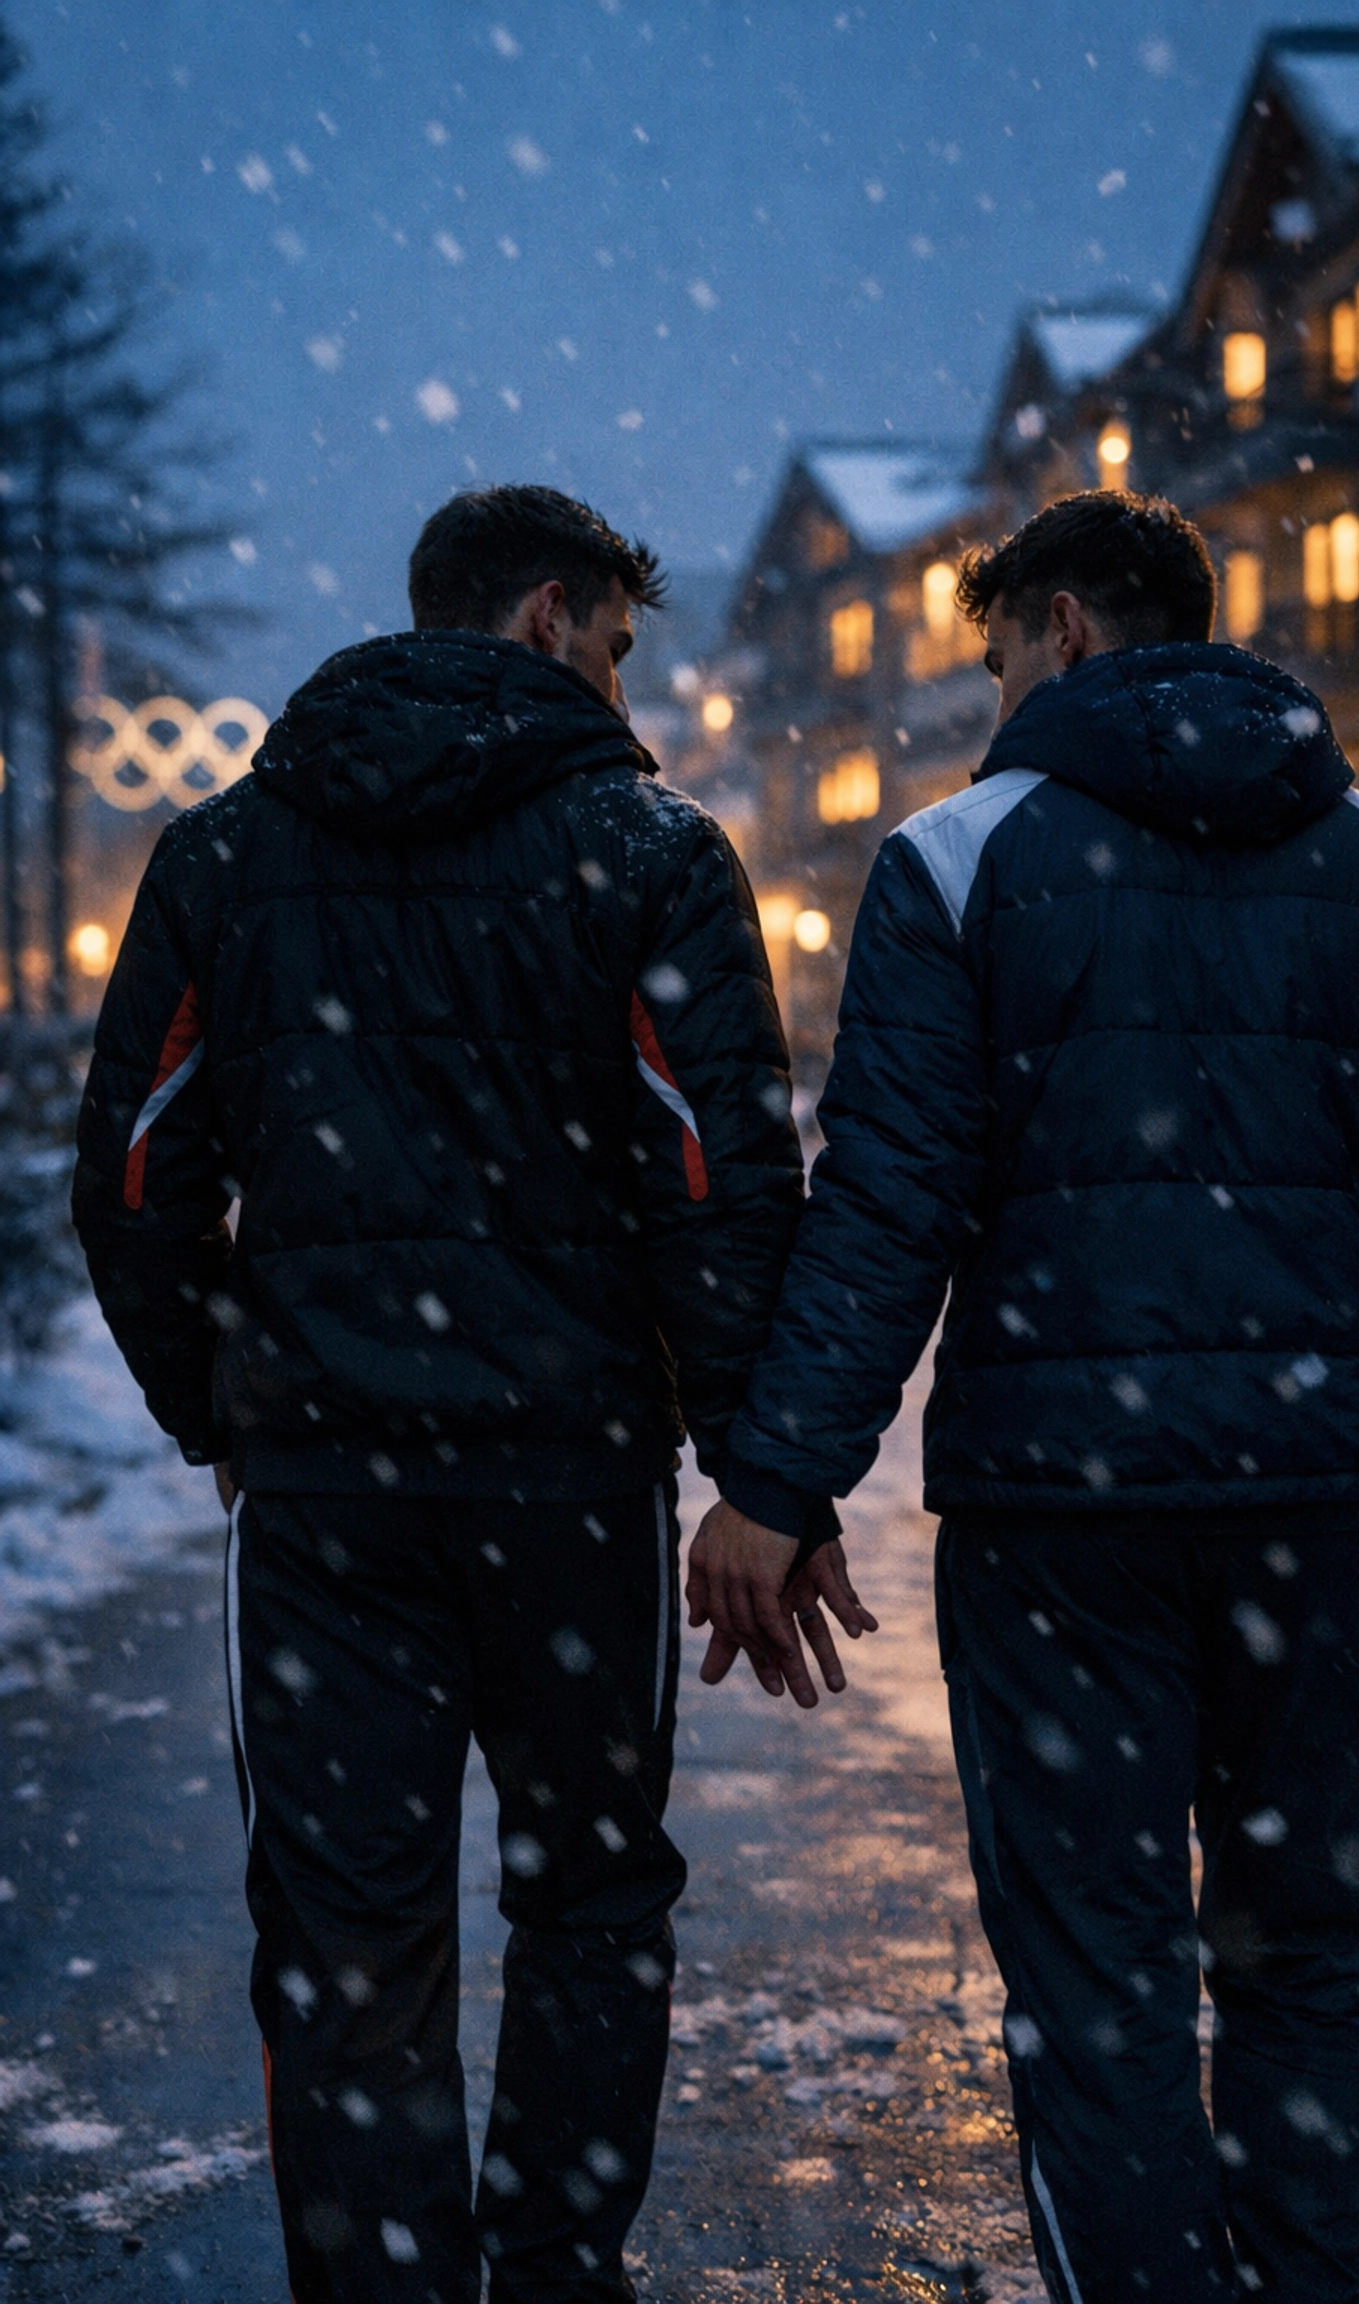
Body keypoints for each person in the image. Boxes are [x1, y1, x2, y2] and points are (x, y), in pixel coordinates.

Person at [688, 489, 1359, 2304]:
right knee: (1303, 1940)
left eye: (1000, 651)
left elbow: (892, 1200)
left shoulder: (958, 859)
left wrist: (779, 1479)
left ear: (1062, 628)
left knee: (1099, 1968)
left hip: (1060, 1519)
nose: (995, 692)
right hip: (1312, 1509)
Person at [73, 483, 870, 2304]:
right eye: (615, 648)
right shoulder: (649, 852)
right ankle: (554, 2270)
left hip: (327, 1505)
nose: (622, 688)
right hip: (569, 1488)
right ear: (544, 617)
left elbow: (130, 1176)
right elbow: (720, 1191)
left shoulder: (222, 853)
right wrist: (757, 1473)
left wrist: (226, 1403)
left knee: (345, 1932)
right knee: (592, 1895)